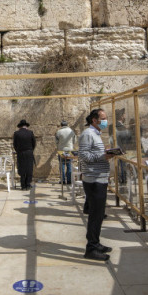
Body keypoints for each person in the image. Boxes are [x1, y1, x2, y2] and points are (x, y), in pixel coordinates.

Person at [79, 108, 115, 261]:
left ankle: (96, 242)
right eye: (103, 118)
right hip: (94, 180)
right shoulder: (88, 134)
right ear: (94, 120)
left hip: (99, 178)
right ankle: (91, 248)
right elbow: (84, 155)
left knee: (99, 214)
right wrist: (103, 155)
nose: (106, 121)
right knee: (95, 215)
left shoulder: (95, 134)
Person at [13, 119, 36, 190]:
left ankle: (23, 185)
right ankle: (28, 184)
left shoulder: (16, 133)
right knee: (29, 168)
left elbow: (15, 144)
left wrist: (18, 150)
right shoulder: (30, 133)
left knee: (22, 168)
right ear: (26, 126)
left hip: (20, 153)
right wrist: (31, 150)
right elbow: (34, 143)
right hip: (29, 152)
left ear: (20, 126)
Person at [55, 120, 76, 184]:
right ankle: (69, 180)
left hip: (61, 150)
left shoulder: (59, 132)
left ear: (61, 125)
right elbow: (74, 141)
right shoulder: (71, 131)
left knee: (62, 165)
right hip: (70, 150)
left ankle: (63, 180)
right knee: (69, 165)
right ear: (67, 125)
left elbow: (56, 141)